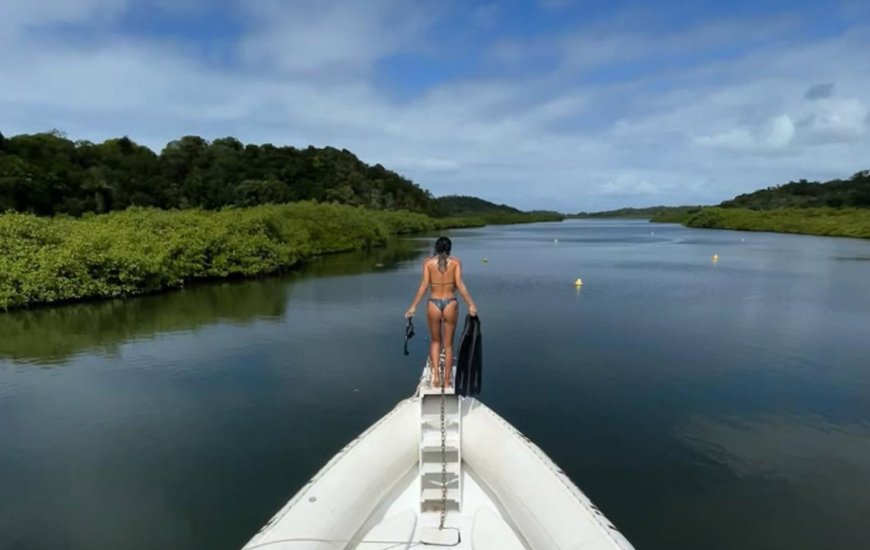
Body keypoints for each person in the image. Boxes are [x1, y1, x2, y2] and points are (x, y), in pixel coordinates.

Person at [405, 236, 478, 388]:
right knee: (448, 345)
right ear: (450, 248)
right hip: (451, 303)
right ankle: (447, 380)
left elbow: (424, 286)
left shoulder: (428, 263)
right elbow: (460, 285)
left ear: (436, 248)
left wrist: (413, 307)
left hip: (433, 304)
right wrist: (471, 305)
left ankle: (436, 379)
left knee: (435, 341)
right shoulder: (456, 263)